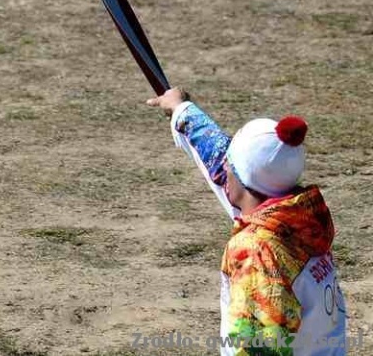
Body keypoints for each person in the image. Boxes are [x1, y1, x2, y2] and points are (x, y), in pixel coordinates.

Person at [147, 87, 346, 355]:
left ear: (243, 180)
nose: (223, 167)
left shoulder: (256, 252)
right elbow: (219, 154)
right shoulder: (296, 217)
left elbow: (261, 346)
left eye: (230, 165)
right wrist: (181, 109)